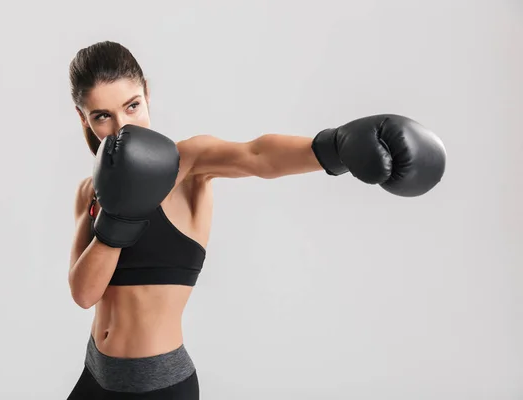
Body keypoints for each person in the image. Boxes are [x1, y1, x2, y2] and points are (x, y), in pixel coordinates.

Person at [66, 41, 446, 399]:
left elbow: (258, 155)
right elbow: (84, 294)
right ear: (84, 117)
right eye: (103, 115)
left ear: (147, 94)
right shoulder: (90, 192)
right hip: (94, 374)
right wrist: (117, 218)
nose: (122, 127)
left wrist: (336, 148)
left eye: (132, 106)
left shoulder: (188, 164)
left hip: (157, 386)